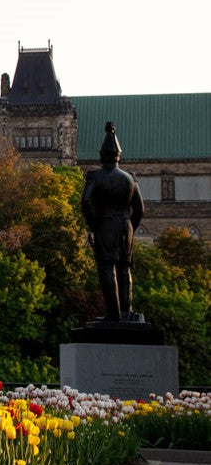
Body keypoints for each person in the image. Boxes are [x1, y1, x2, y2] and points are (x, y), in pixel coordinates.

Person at [81, 122, 145, 322]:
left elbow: (85, 201)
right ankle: (127, 313)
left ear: (102, 156)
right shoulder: (130, 178)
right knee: (125, 268)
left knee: (107, 267)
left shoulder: (96, 177)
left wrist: (94, 224)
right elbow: (140, 209)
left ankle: (113, 314)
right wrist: (131, 226)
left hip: (105, 223)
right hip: (126, 225)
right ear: (118, 156)